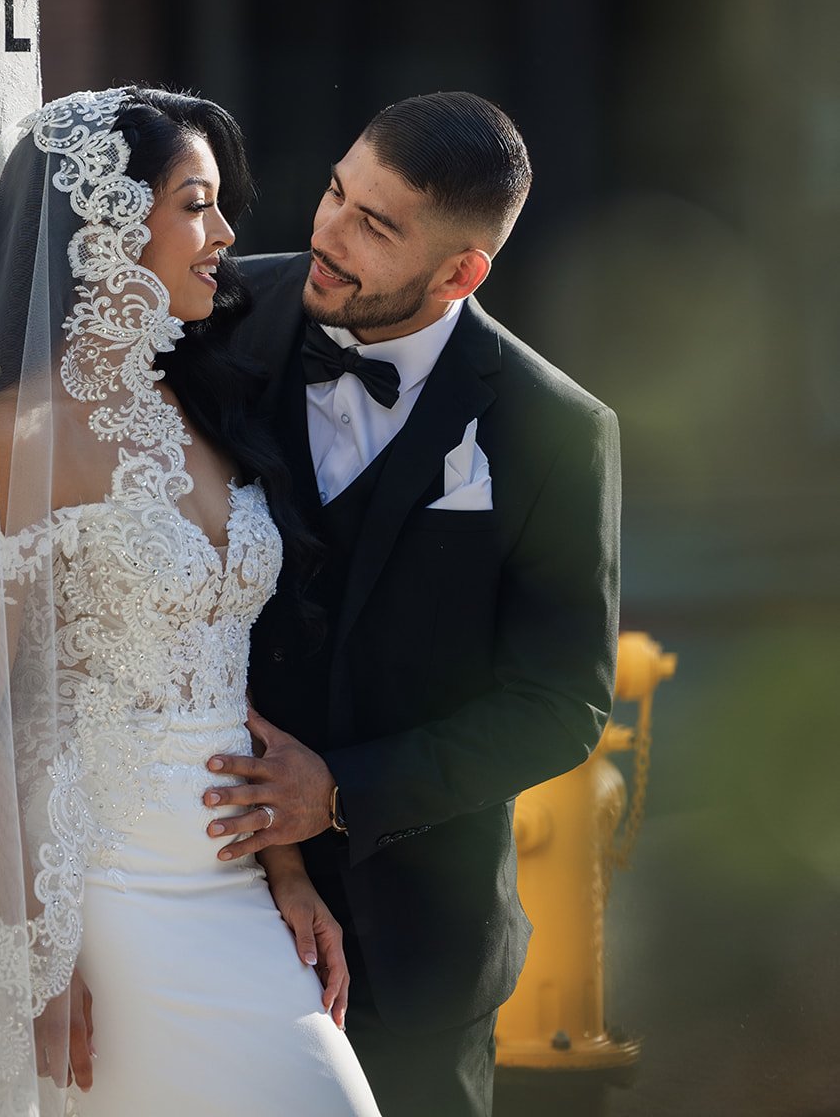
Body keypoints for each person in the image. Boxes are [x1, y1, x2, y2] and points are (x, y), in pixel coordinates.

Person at [0, 88, 382, 1114]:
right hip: (107, 894)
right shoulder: (12, 441)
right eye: (195, 203)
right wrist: (35, 952)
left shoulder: (205, 400)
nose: (223, 236)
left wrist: (289, 873)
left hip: (236, 885)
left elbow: (229, 681)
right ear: (110, 219)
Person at [202, 91, 622, 1117]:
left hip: (416, 960)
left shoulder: (556, 430)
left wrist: (336, 791)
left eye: (372, 226)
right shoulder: (211, 319)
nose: (325, 234)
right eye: (337, 192)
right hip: (198, 897)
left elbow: (560, 701)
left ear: (461, 272)